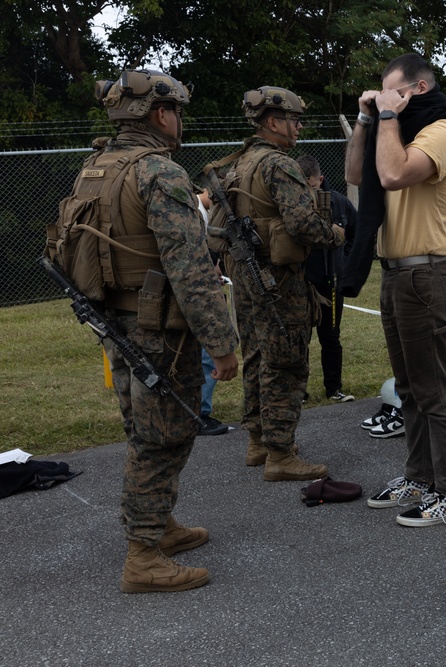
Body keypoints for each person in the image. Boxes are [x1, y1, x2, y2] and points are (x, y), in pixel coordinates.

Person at [79, 70, 239, 592]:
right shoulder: (159, 173)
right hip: (158, 331)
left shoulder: (95, 168)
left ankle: (160, 526)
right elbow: (191, 271)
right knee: (162, 438)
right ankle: (143, 554)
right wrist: (222, 344)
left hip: (115, 321)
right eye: (177, 111)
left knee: (144, 429)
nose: (180, 121)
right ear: (159, 114)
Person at [344, 53, 446, 527]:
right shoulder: (393, 129)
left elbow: (395, 174)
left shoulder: (443, 131)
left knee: (436, 390)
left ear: (417, 89)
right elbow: (358, 175)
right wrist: (366, 120)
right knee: (409, 389)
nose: (383, 99)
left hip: (429, 273)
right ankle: (421, 478)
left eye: (391, 91)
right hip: (397, 273)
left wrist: (384, 116)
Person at [218, 86, 345, 481]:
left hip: (245, 275)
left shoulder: (238, 163)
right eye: (293, 120)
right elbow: (303, 224)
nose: (298, 126)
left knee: (256, 354)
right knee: (286, 363)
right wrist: (337, 234)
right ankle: (280, 454)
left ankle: (258, 441)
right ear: (272, 122)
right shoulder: (278, 164)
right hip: (279, 280)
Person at [296, 154, 356, 403]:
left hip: (332, 282)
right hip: (301, 283)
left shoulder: (340, 204)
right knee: (300, 338)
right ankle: (299, 392)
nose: (307, 190)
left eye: (310, 184)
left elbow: (356, 233)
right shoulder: (294, 206)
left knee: (330, 336)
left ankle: (334, 388)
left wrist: (345, 262)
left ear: (320, 179)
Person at [195, 188, 231, 436]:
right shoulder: (197, 213)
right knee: (208, 354)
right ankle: (199, 413)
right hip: (198, 296)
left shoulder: (198, 211)